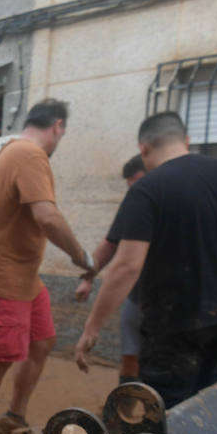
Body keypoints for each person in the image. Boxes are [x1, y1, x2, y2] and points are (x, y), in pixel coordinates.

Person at [73, 111, 217, 407]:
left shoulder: (148, 189)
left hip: (179, 318)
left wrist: (92, 328)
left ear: (143, 148)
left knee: (164, 403)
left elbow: (127, 266)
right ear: (186, 140)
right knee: (204, 388)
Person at [0, 99, 95, 434]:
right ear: (58, 127)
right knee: (0, 358)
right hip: (2, 278)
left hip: (23, 279)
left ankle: (14, 416)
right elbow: (47, 218)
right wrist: (81, 256)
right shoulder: (31, 156)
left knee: (42, 342)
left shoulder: (4, 155)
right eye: (63, 131)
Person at [74, 154, 147, 381]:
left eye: (138, 183)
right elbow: (110, 244)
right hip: (139, 294)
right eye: (131, 187)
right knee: (129, 355)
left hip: (176, 296)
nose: (135, 192)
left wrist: (92, 327)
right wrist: (88, 278)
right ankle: (122, 412)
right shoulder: (136, 201)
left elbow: (126, 266)